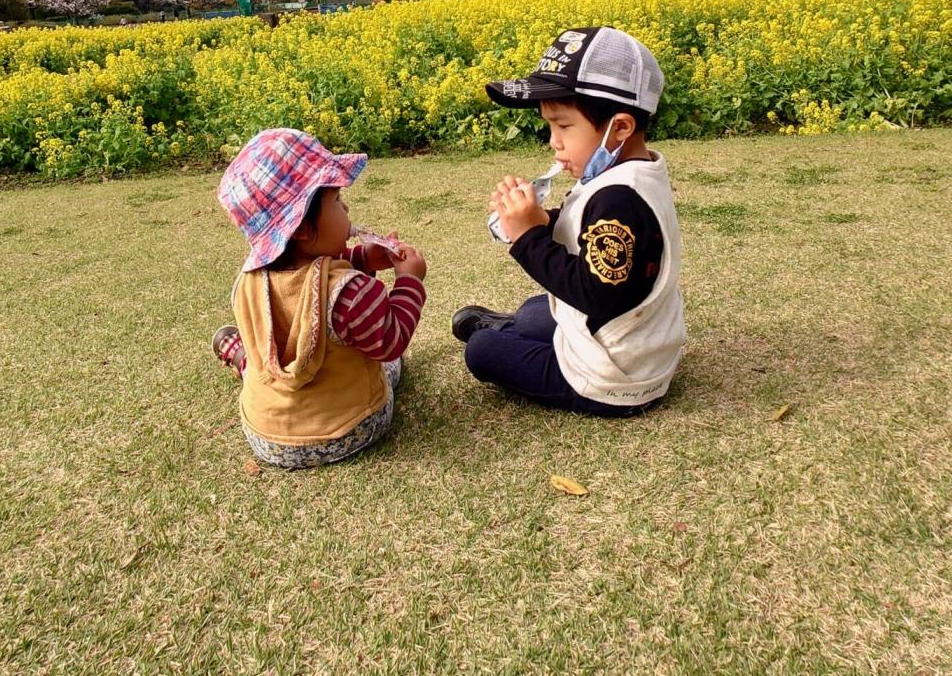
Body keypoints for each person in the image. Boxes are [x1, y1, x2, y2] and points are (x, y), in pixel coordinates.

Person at [455, 26, 685, 415]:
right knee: (533, 312)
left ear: (621, 127)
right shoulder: (632, 174)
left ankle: (500, 336)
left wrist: (527, 237)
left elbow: (594, 293)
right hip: (638, 342)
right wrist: (542, 218)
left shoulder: (618, 198)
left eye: (563, 126)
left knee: (482, 351)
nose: (553, 141)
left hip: (612, 379)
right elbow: (591, 232)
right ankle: (514, 331)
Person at [213, 128, 427, 468]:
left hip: (264, 435)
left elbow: (311, 278)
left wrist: (363, 258)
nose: (346, 206)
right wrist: (409, 281)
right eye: (337, 201)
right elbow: (391, 339)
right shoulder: (351, 293)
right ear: (300, 227)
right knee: (389, 365)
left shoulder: (249, 279)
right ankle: (248, 363)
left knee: (262, 354)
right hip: (347, 429)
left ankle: (244, 360)